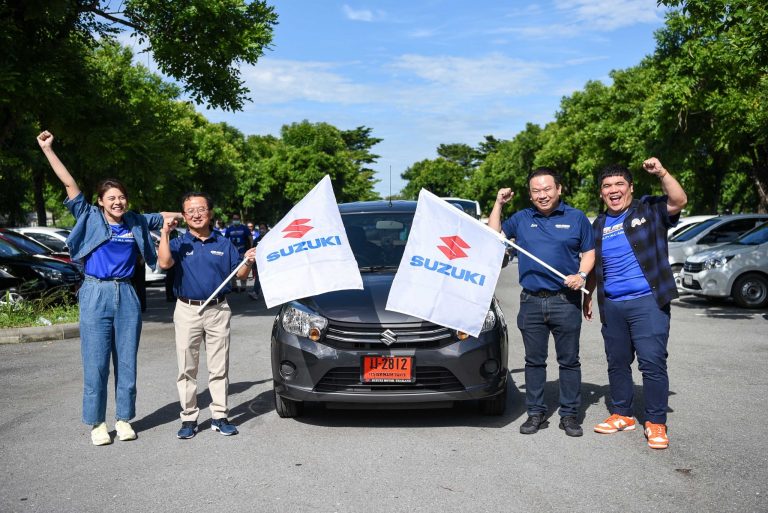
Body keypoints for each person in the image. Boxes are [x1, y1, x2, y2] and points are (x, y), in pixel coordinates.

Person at [37, 130, 179, 446]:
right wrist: (48, 150)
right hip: (95, 292)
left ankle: (124, 419)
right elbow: (69, 184)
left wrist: (191, 215)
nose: (118, 201)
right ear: (100, 201)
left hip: (126, 293)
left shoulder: (136, 220)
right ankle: (98, 423)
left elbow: (167, 216)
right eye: (111, 197)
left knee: (126, 360)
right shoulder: (87, 215)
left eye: (121, 197)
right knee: (97, 361)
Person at [583, 158, 687, 450]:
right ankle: (622, 414)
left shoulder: (649, 210)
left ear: (630, 187)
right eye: (607, 186)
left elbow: (679, 199)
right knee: (617, 362)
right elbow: (596, 267)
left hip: (647, 303)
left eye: (619, 184)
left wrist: (663, 173)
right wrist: (588, 293)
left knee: (652, 362)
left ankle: (655, 422)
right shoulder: (600, 224)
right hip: (612, 305)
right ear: (601, 193)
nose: (613, 190)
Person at [489, 168, 595, 437]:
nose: (542, 195)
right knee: (534, 362)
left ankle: (570, 415)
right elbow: (493, 234)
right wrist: (499, 203)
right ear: (530, 194)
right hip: (532, 301)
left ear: (559, 189)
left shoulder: (576, 218)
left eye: (547, 189)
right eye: (536, 191)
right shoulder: (522, 218)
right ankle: (536, 413)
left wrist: (581, 275)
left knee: (569, 361)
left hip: (565, 301)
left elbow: (589, 252)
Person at [157, 192, 257, 439]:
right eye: (190, 211)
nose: (196, 214)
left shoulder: (223, 244)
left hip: (218, 310)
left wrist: (248, 261)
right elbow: (165, 263)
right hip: (187, 310)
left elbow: (241, 275)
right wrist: (165, 233)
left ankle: (219, 416)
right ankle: (189, 418)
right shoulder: (180, 243)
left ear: (210, 213)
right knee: (186, 367)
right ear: (184, 215)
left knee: (219, 367)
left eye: (201, 209)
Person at [225, 213, 252, 292]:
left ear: (239, 219)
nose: (235, 220)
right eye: (234, 219)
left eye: (237, 219)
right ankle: (234, 286)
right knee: (232, 268)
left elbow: (250, 238)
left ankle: (243, 286)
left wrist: (250, 247)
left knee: (244, 267)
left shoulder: (244, 228)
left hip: (243, 251)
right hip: (232, 252)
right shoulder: (229, 229)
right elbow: (225, 240)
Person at [248, 223, 269, 300]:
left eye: (263, 228)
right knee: (258, 277)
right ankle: (255, 292)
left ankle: (257, 292)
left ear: (266, 230)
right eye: (260, 228)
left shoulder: (270, 239)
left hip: (269, 261)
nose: (261, 230)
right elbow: (253, 251)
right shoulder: (256, 240)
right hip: (259, 263)